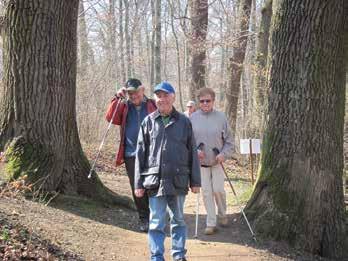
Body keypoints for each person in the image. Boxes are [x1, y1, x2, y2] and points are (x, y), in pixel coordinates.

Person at [134, 82, 201, 261]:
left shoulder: (184, 122)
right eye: (158, 96)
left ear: (173, 97)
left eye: (165, 95)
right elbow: (140, 154)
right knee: (156, 222)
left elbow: (192, 152)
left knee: (178, 220)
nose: (161, 99)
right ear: (155, 98)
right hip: (154, 181)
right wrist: (138, 183)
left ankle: (179, 256)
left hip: (178, 181)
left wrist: (195, 181)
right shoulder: (148, 122)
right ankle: (156, 257)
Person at [105, 78, 157, 232]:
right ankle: (144, 219)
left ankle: (156, 216)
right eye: (130, 93)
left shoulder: (152, 104)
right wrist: (117, 97)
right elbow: (111, 118)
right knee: (137, 187)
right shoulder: (124, 105)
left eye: (135, 92)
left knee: (152, 184)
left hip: (151, 153)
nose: (133, 96)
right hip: (130, 152)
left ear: (142, 90)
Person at [190, 88, 233, 235]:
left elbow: (229, 142)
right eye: (202, 101)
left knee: (218, 190)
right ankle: (211, 222)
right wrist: (195, 152)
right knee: (207, 192)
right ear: (199, 102)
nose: (205, 103)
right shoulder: (192, 118)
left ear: (213, 101)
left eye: (208, 100)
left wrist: (224, 154)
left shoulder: (221, 117)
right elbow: (187, 142)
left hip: (217, 161)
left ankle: (222, 214)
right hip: (200, 164)